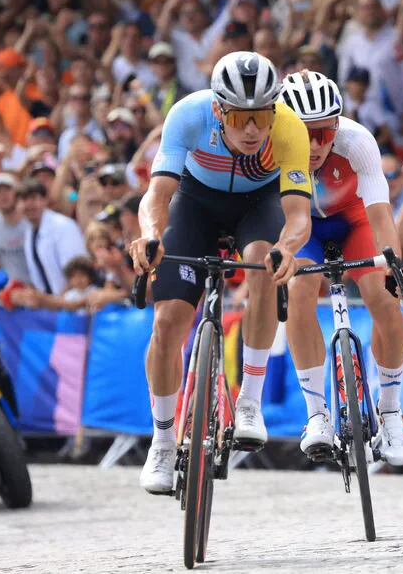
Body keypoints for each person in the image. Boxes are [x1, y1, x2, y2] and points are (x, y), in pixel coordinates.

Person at [128, 52, 312, 494]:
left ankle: (249, 401)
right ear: (218, 110)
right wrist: (150, 234)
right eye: (240, 117)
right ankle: (164, 439)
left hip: (258, 205)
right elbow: (158, 193)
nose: (252, 129)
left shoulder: (288, 128)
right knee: (168, 322)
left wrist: (287, 249)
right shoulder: (188, 114)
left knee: (264, 266)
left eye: (261, 116)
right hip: (196, 204)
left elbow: (299, 214)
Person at [278, 70, 403, 466]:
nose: (316, 144)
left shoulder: (357, 142)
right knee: (300, 290)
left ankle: (390, 409)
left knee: (383, 296)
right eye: (306, 133)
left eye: (324, 132)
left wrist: (395, 268)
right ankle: (316, 415)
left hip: (354, 220)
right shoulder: (271, 146)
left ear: (337, 125)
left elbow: (380, 217)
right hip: (302, 225)